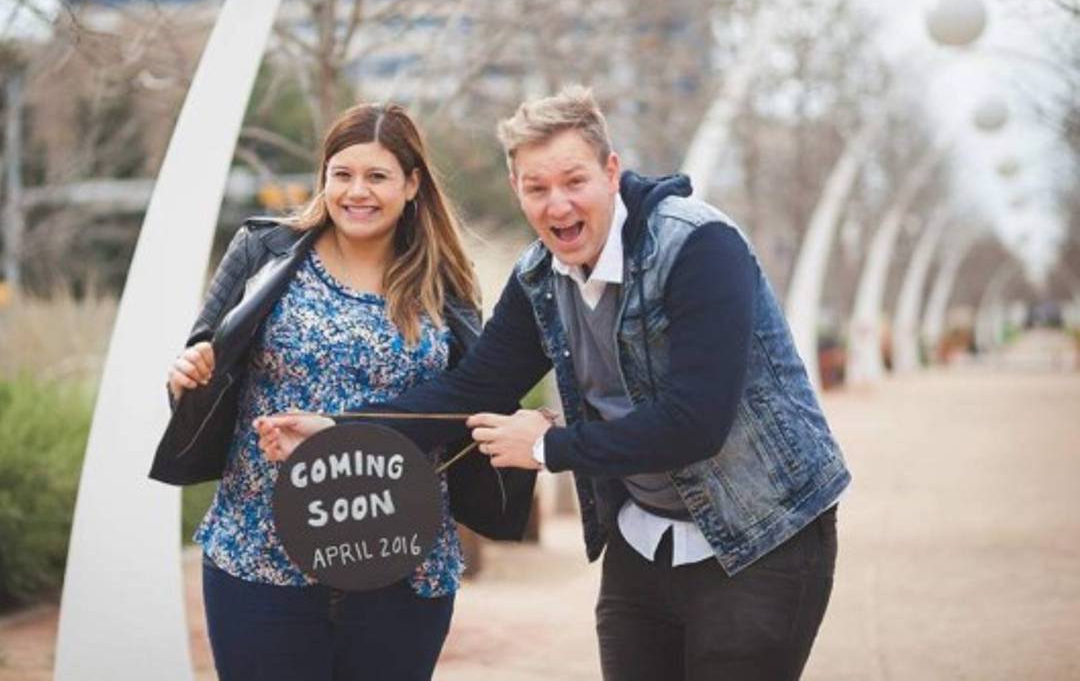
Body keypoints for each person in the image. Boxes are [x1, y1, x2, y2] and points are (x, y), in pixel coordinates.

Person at [260, 86, 851, 680]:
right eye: (537, 188)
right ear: (517, 189)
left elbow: (696, 422)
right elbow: (472, 389)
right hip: (643, 541)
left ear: (611, 172)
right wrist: (339, 432)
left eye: (574, 181)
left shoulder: (697, 245)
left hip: (763, 535)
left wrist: (547, 447)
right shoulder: (540, 275)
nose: (557, 205)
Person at [148, 102, 533, 681]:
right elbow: (203, 368)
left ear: (411, 184)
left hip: (401, 559)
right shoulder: (262, 253)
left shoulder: (445, 281)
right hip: (260, 553)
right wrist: (186, 378)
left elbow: (467, 395)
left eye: (377, 176)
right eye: (342, 174)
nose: (358, 192)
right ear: (323, 178)